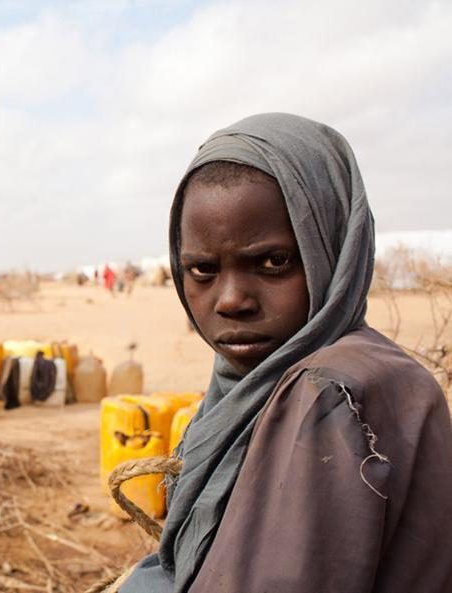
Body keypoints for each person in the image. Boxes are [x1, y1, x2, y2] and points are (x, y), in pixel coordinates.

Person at [121, 113, 452, 592]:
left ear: (335, 250)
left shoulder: (328, 393)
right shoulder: (278, 383)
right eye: (202, 270)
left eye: (274, 262)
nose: (232, 300)